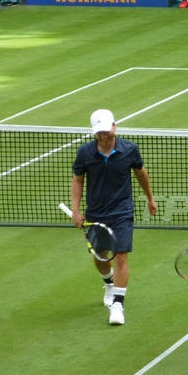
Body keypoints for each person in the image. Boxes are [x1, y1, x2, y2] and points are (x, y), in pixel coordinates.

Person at [70, 109, 157, 325]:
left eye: (106, 131)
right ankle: (109, 284)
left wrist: (150, 198)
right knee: (101, 256)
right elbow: (78, 179)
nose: (103, 136)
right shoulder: (85, 152)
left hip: (122, 212)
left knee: (120, 256)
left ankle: (118, 304)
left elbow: (140, 173)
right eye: (99, 132)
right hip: (96, 213)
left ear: (114, 126)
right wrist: (76, 209)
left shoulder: (129, 149)